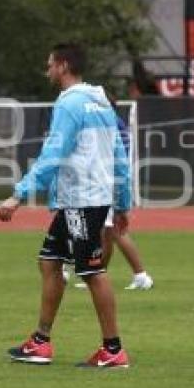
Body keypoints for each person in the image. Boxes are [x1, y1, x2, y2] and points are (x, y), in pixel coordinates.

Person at [0, 43, 132, 368]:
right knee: (49, 262)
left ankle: (113, 349)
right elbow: (119, 155)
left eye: (50, 64)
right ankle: (41, 342)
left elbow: (53, 154)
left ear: (63, 65)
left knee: (91, 271)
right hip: (88, 198)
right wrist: (123, 201)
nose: (48, 71)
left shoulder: (70, 104)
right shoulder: (101, 104)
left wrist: (18, 194)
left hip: (81, 201)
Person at [73, 92, 153, 291]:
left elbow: (111, 157)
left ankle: (141, 275)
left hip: (109, 182)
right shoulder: (114, 123)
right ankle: (98, 274)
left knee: (114, 230)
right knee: (107, 232)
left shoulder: (110, 125)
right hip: (110, 181)